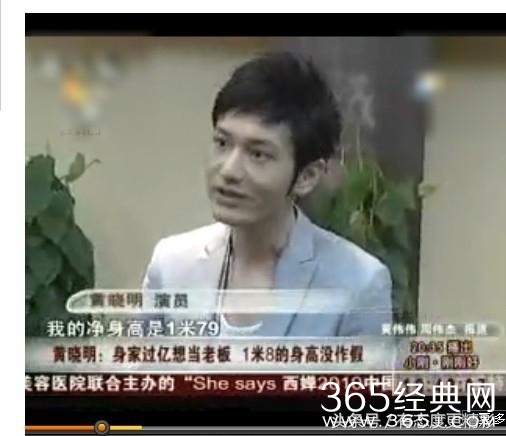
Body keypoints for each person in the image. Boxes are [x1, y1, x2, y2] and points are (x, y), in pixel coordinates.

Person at [143, 52, 392, 336]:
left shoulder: (359, 283)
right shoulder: (171, 265)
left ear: (307, 176)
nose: (229, 170)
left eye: (258, 154)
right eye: (222, 143)